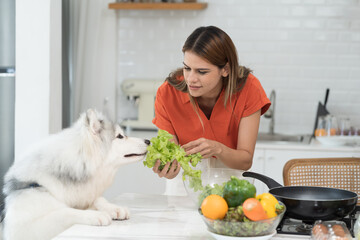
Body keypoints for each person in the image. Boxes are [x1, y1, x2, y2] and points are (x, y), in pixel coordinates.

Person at [152, 26, 271, 195]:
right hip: (185, 185)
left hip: (231, 182)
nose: (191, 79)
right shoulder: (167, 93)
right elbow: (171, 157)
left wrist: (217, 149)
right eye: (187, 68)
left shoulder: (249, 88)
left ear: (226, 69)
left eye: (202, 71)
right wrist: (168, 167)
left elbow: (245, 161)